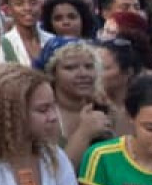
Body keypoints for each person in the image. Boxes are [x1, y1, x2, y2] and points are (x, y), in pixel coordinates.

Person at [45, 39, 113, 167]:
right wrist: (84, 132)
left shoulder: (106, 110)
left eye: (89, 66)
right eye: (70, 68)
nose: (83, 74)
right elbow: (57, 173)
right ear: (53, 73)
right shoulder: (44, 115)